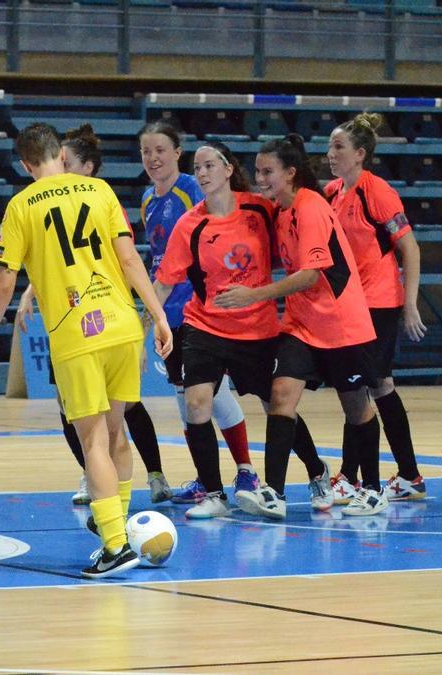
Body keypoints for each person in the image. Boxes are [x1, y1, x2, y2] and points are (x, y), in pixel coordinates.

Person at [0, 123, 173, 579]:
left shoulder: (20, 206)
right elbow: (129, 259)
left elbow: (6, 278)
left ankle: (115, 544)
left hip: (76, 334)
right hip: (123, 324)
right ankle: (119, 530)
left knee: (93, 442)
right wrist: (158, 316)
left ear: (26, 165)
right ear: (61, 157)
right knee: (117, 433)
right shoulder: (100, 191)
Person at [154, 141, 322, 519]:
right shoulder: (190, 224)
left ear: (229, 169)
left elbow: (295, 251)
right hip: (205, 325)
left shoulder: (260, 210)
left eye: (210, 165)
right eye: (197, 168)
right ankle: (213, 493)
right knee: (197, 403)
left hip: (256, 330)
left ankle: (317, 472)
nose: (202, 173)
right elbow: (165, 282)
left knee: (278, 406)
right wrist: (154, 319)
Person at [217, 134, 380, 519]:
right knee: (281, 394)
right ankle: (274, 492)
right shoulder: (279, 210)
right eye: (256, 171)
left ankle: (372, 488)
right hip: (302, 322)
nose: (260, 179)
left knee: (356, 407)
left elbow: (309, 276)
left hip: (341, 324)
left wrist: (254, 296)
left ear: (290, 173)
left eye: (267, 172)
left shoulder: (310, 207)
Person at [16, 124, 171, 506]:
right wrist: (31, 291)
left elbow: (121, 257)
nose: (61, 166)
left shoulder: (101, 197)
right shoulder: (53, 202)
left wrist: (157, 312)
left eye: (66, 161)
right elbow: (62, 254)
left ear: (85, 167)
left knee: (116, 419)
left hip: (101, 316)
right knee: (80, 415)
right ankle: (102, 484)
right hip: (86, 318)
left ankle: (144, 481)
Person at [138, 121, 259, 501]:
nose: (153, 158)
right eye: (146, 152)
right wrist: (151, 313)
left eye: (160, 150)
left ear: (177, 153)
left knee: (211, 395)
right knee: (184, 397)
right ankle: (207, 479)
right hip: (168, 313)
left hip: (199, 311)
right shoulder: (147, 200)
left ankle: (246, 471)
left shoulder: (192, 189)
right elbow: (160, 261)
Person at [324, 112, 429, 510]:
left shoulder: (378, 192)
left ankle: (351, 477)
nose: (331, 153)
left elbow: (410, 248)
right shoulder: (333, 192)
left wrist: (410, 303)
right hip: (349, 305)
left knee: (362, 387)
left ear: (360, 154)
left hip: (380, 302)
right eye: (331, 146)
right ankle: (409, 475)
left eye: (339, 147)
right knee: (376, 387)